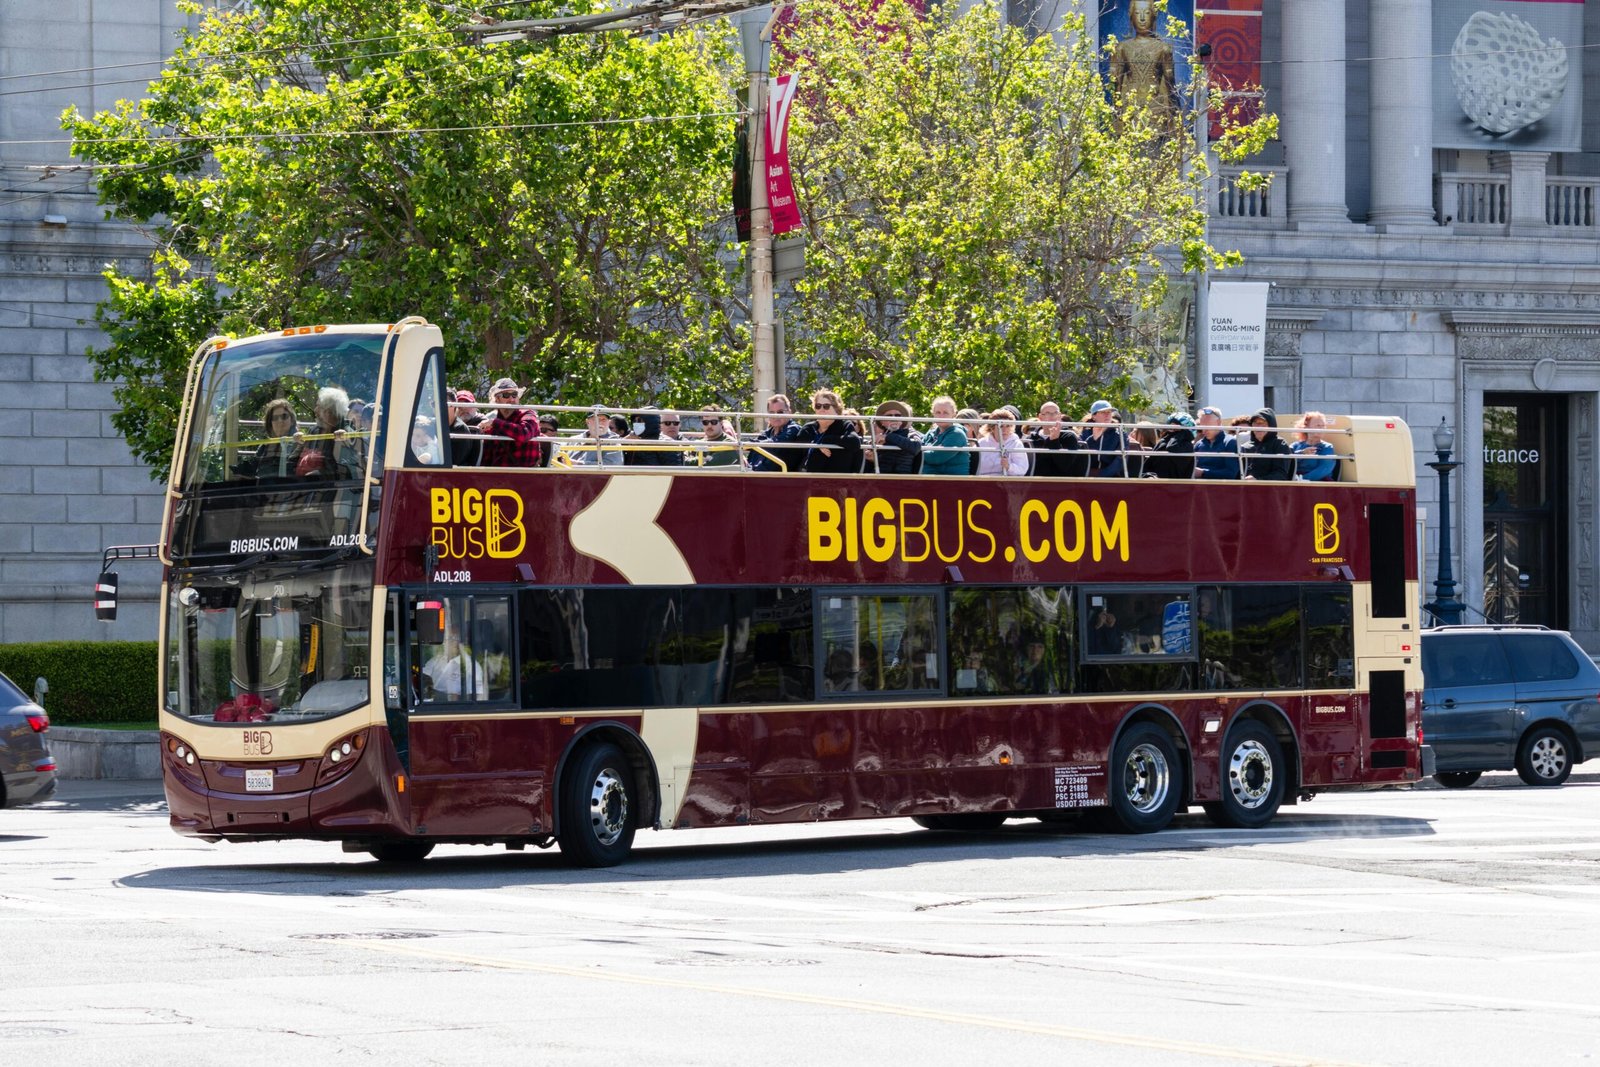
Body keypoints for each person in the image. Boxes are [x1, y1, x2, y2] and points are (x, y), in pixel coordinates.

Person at [1109, 0, 1175, 115]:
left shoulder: (1163, 48)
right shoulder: (1122, 48)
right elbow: (1116, 85)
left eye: (1147, 13)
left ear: (1154, 16)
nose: (1142, 18)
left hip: (1156, 109)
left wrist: (1173, 112)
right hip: (1130, 109)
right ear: (1131, 16)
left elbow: (1169, 86)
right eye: (1138, 13)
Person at [422, 611, 486, 702]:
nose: (447, 642)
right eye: (445, 639)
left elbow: (475, 698)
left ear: (461, 642)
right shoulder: (437, 659)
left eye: (451, 638)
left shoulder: (471, 667)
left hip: (452, 710)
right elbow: (423, 677)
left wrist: (442, 697)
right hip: (429, 706)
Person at [476, 378, 541, 467]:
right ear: (497, 399)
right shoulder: (493, 424)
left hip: (525, 476)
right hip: (497, 476)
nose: (511, 399)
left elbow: (524, 433)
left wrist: (495, 423)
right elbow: (487, 458)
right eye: (506, 395)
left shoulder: (528, 414)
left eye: (514, 394)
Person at [296, 386, 358, 478]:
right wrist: (297, 440)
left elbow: (346, 470)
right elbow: (295, 459)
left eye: (318, 407)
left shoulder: (346, 433)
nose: (315, 410)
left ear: (329, 411)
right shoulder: (313, 431)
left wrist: (320, 475)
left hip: (333, 488)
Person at [798, 389, 863, 473]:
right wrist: (817, 446)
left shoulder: (843, 424)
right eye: (818, 406)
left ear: (836, 409)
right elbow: (797, 454)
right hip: (808, 477)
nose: (822, 409)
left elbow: (855, 442)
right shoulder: (808, 428)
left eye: (826, 406)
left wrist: (827, 440)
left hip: (836, 479)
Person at [246, 398, 301, 479]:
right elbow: (251, 470)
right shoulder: (264, 446)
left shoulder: (299, 442)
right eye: (275, 418)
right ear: (270, 424)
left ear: (292, 420)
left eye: (284, 416)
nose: (279, 421)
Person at [1029, 401, 1086, 478]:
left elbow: (1065, 466)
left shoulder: (1069, 437)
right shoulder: (1031, 438)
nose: (1052, 416)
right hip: (1036, 483)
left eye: (1055, 413)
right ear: (1040, 417)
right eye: (1047, 413)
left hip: (1062, 484)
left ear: (1059, 416)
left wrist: (1054, 441)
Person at [751, 394, 803, 472]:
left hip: (783, 480)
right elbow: (754, 450)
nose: (776, 416)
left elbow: (776, 443)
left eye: (780, 412)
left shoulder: (794, 429)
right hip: (759, 476)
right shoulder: (768, 433)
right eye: (772, 412)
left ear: (789, 412)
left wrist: (751, 444)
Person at [1240, 407, 1295, 481]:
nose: (1258, 427)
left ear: (1271, 425)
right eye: (1255, 423)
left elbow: (1281, 475)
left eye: (1262, 423)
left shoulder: (1280, 444)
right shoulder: (1245, 447)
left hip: (1270, 489)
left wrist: (1258, 481)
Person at [922, 395, 970, 476]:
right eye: (938, 412)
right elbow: (920, 447)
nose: (941, 416)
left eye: (945, 413)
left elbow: (935, 458)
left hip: (952, 482)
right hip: (929, 478)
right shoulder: (932, 432)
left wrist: (916, 451)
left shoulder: (957, 434)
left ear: (953, 414)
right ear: (933, 414)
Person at [872, 400, 923, 475]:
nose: (893, 418)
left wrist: (888, 437)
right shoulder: (879, 437)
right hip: (879, 478)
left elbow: (916, 447)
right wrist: (871, 457)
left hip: (902, 479)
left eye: (898, 415)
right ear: (882, 422)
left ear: (902, 420)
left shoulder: (909, 434)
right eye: (889, 416)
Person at [1192, 405, 1242, 479]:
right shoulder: (1199, 444)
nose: (1204, 429)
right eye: (1202, 425)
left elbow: (1231, 474)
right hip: (1199, 488)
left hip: (1221, 489)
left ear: (1219, 422)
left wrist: (1203, 473)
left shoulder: (1230, 442)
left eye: (1208, 425)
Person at [1143, 411, 1196, 479]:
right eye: (1171, 427)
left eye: (1176, 428)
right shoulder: (1163, 442)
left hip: (1177, 486)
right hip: (1156, 485)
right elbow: (1148, 465)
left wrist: (1181, 433)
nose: (1171, 430)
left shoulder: (1187, 446)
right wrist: (1150, 476)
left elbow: (1172, 447)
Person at [977, 409, 1028, 476]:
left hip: (1007, 482)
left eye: (1008, 426)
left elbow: (1022, 469)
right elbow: (974, 466)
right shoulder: (981, 443)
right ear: (992, 428)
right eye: (1001, 426)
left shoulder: (1016, 444)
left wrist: (1009, 467)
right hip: (983, 481)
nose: (1005, 430)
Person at [1083, 399, 1125, 478]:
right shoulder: (1085, 432)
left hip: (1112, 478)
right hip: (1087, 476)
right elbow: (1082, 457)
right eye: (1103, 412)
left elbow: (1120, 460)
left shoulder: (1120, 435)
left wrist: (1102, 476)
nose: (1107, 415)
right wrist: (1093, 439)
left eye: (1109, 412)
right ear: (1094, 416)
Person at [1293, 411, 1338, 481]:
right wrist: (1302, 453)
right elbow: (1287, 459)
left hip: (1318, 482)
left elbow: (1324, 469)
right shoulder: (1296, 445)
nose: (1321, 429)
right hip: (1296, 480)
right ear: (1306, 427)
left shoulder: (1327, 447)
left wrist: (1302, 479)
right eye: (1318, 425)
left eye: (1323, 426)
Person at [448, 391, 483, 467]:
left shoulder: (484, 423)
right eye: (460, 405)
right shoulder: (451, 425)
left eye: (467, 404)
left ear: (474, 405)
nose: (463, 409)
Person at [958, 407, 984, 475]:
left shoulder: (983, 443)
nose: (958, 427)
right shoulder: (952, 440)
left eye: (962, 424)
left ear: (973, 426)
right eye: (956, 423)